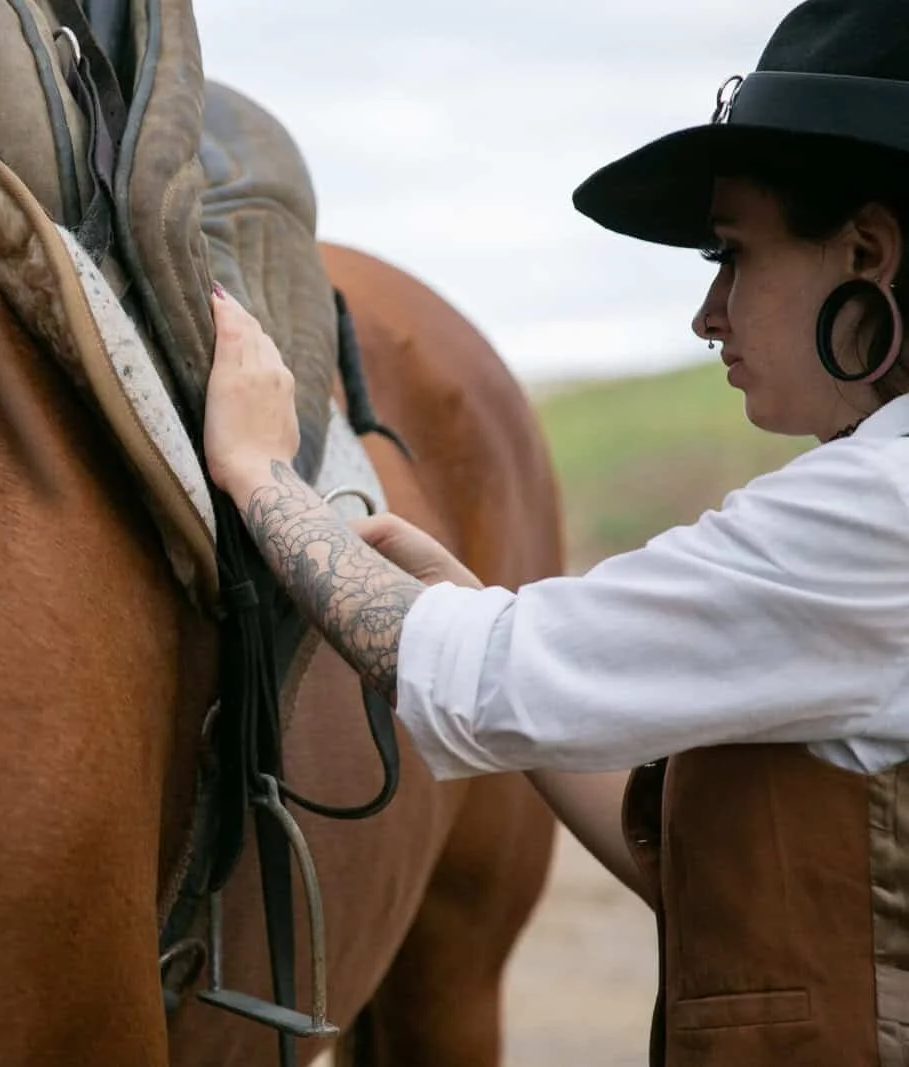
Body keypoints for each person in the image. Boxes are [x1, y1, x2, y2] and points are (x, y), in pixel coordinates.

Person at [202, 1, 909, 1063]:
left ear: (865, 250)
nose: (707, 313)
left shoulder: (876, 509)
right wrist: (488, 629)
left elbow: (478, 677)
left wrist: (262, 477)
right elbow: (709, 874)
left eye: (732, 254)